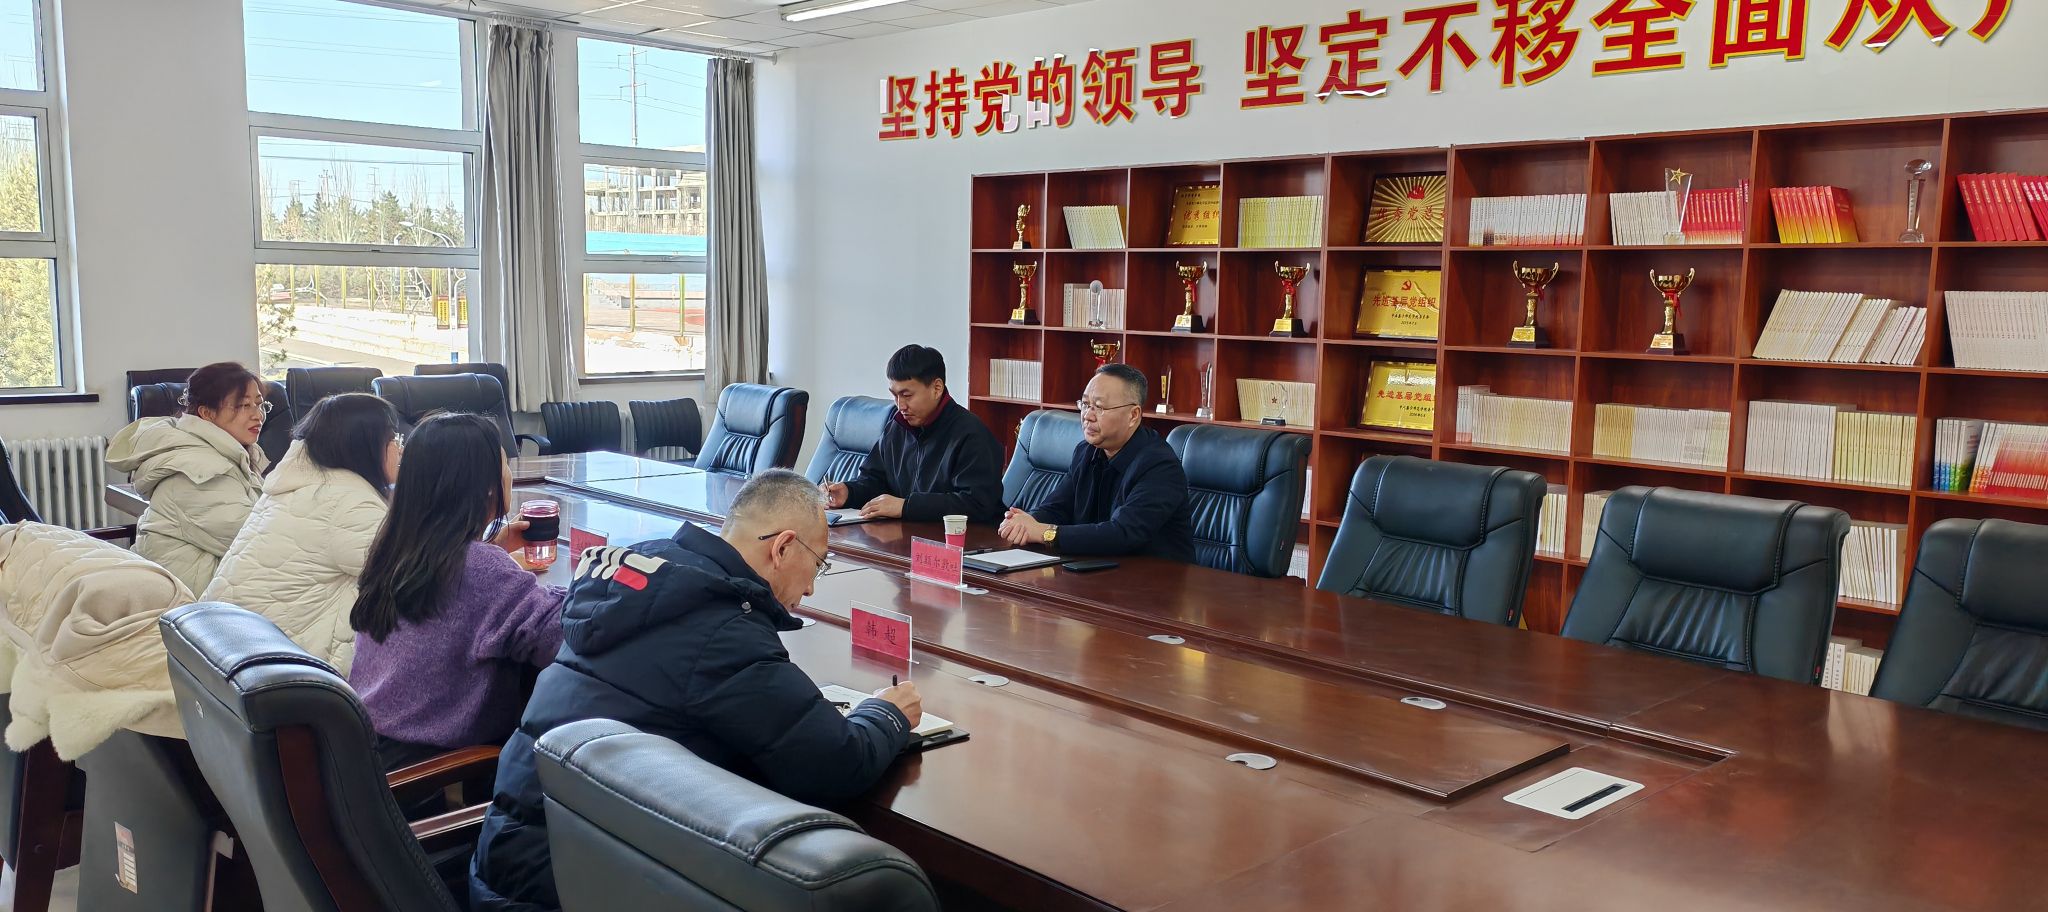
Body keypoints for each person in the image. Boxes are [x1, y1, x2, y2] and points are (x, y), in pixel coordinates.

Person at [470, 469, 922, 912]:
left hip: (508, 863)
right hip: (571, 891)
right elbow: (835, 764)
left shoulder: (641, 578)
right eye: (818, 564)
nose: (810, 588)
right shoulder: (723, 629)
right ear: (783, 547)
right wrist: (886, 714)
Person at [348, 413, 567, 772]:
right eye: (504, 464)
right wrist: (590, 581)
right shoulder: (479, 570)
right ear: (487, 487)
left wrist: (486, 549)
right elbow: (559, 637)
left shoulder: (395, 549)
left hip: (369, 752)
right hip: (430, 772)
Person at [203, 393, 400, 674]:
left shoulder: (300, 484)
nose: (399, 449)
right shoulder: (347, 502)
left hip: (226, 651)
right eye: (393, 439)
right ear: (366, 445)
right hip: (276, 669)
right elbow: (410, 572)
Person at [998, 363, 1195, 562]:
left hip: (1153, 577)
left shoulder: (1160, 466)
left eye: (1099, 407)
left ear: (1133, 415)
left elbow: (1122, 534)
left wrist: (1044, 533)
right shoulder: (1085, 452)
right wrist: (1025, 523)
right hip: (1095, 569)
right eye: (1085, 404)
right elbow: (1057, 508)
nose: (1087, 416)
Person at [106, 362, 272, 593]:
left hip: (207, 587)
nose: (258, 415)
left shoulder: (230, 455)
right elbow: (258, 542)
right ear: (206, 413)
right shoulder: (197, 470)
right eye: (244, 405)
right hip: (186, 601)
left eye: (259, 404)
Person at [823, 344, 1006, 523]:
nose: (900, 405)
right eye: (895, 395)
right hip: (906, 534)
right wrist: (849, 492)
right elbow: (875, 481)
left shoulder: (971, 434)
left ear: (937, 388)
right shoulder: (897, 427)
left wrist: (906, 507)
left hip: (963, 538)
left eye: (907, 395)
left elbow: (977, 504)